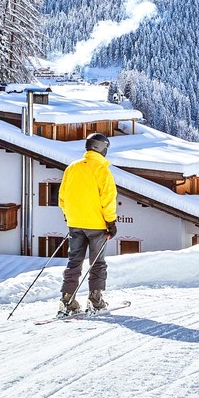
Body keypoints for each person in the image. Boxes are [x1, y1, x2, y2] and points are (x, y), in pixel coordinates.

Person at [57, 132, 119, 313]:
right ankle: (95, 301)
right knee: (97, 263)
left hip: (75, 223)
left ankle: (67, 301)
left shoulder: (72, 167)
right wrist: (111, 222)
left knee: (74, 262)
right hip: (97, 226)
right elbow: (108, 199)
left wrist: (69, 215)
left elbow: (62, 197)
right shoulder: (102, 170)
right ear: (102, 148)